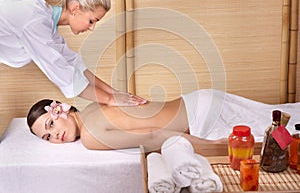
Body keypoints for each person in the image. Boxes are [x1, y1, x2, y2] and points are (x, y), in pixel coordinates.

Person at [0, 0, 146, 106]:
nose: (91, 28)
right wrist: (109, 99)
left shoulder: (46, 22)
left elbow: (74, 64)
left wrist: (113, 92)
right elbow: (63, 74)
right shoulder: (35, 21)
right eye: (91, 21)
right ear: (75, 9)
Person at [27, 89, 300, 152]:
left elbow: (153, 136)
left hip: (202, 118)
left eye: (51, 125)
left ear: (61, 110)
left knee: (282, 139)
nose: (55, 135)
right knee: (284, 118)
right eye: (46, 137)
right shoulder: (93, 105)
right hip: (199, 99)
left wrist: (215, 148)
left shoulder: (90, 136)